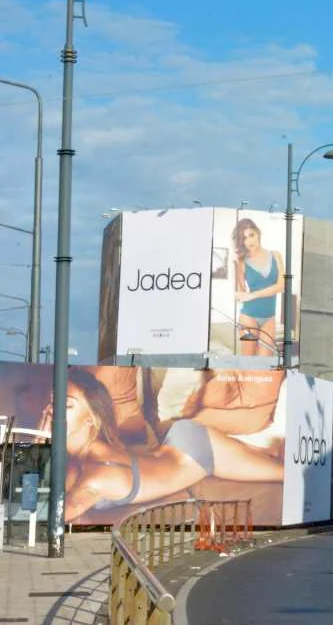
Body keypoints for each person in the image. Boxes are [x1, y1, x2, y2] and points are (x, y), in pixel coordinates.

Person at [41, 371, 284, 522]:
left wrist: (36, 443)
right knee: (267, 459)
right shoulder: (81, 456)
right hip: (175, 443)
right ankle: (266, 451)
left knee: (284, 474)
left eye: (67, 405)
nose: (51, 410)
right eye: (52, 402)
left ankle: (266, 453)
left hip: (194, 453)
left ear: (91, 418)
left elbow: (48, 518)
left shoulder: (97, 475)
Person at [232, 218, 285, 357]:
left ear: (258, 233)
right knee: (248, 363)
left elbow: (281, 286)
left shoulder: (276, 255)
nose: (249, 241)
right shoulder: (242, 262)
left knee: (264, 366)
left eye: (251, 235)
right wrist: (236, 267)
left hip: (269, 318)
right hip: (248, 316)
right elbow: (241, 294)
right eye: (244, 238)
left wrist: (252, 295)